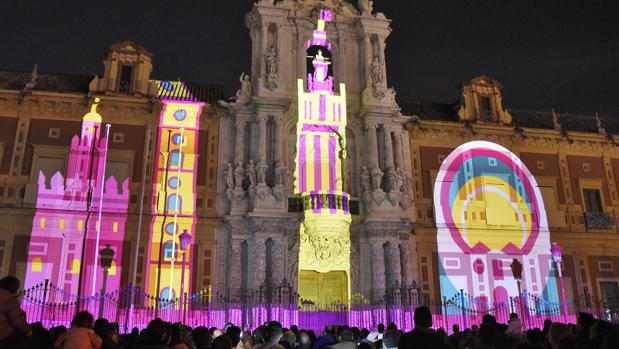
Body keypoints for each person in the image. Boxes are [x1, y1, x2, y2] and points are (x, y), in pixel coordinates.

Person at [0, 276, 31, 349]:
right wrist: (29, 331)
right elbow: (17, 320)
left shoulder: (5, 297)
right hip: (4, 335)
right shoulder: (10, 300)